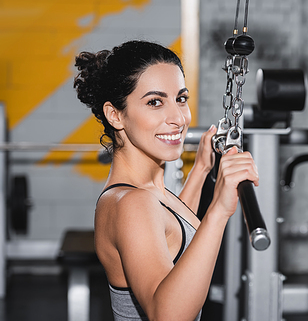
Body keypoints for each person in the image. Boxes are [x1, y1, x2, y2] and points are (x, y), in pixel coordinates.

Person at [74, 40, 258, 321]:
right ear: (115, 115)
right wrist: (219, 210)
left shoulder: (146, 193)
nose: (178, 118)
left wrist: (200, 170)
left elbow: (172, 235)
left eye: (181, 99)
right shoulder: (132, 204)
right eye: (155, 102)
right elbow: (167, 315)